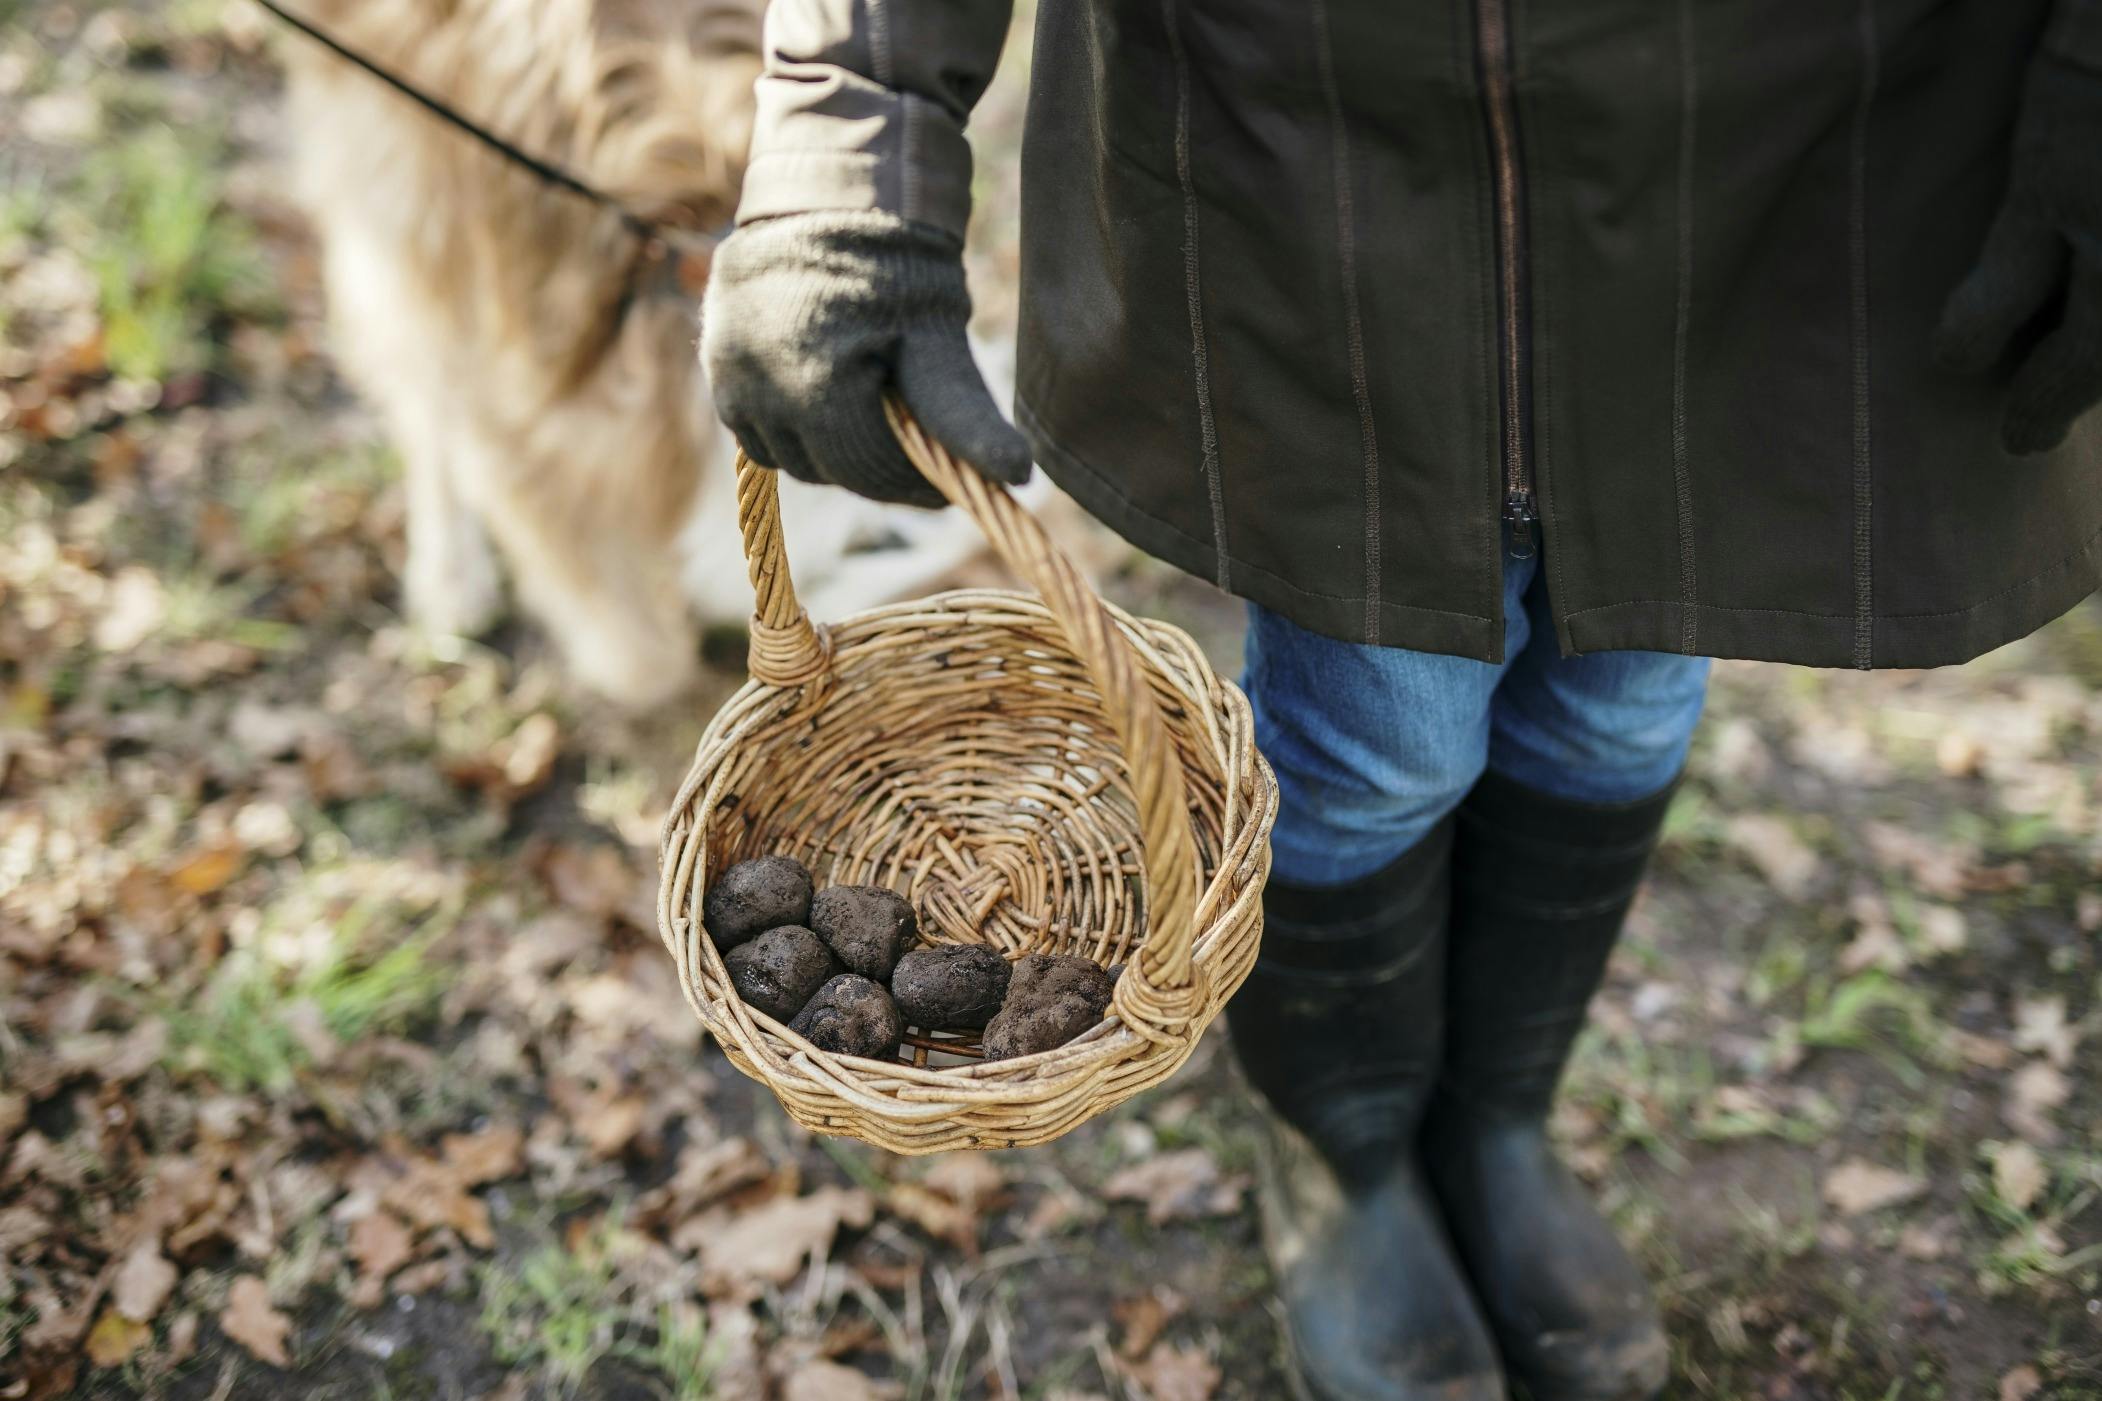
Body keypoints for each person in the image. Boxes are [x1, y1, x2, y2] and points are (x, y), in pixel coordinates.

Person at [700, 2, 2102, 1396]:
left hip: (1761, 167)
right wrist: (859, 115)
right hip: (1310, 157)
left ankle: (1496, 1119)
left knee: (1627, 686)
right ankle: (1344, 1147)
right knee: (1381, 734)